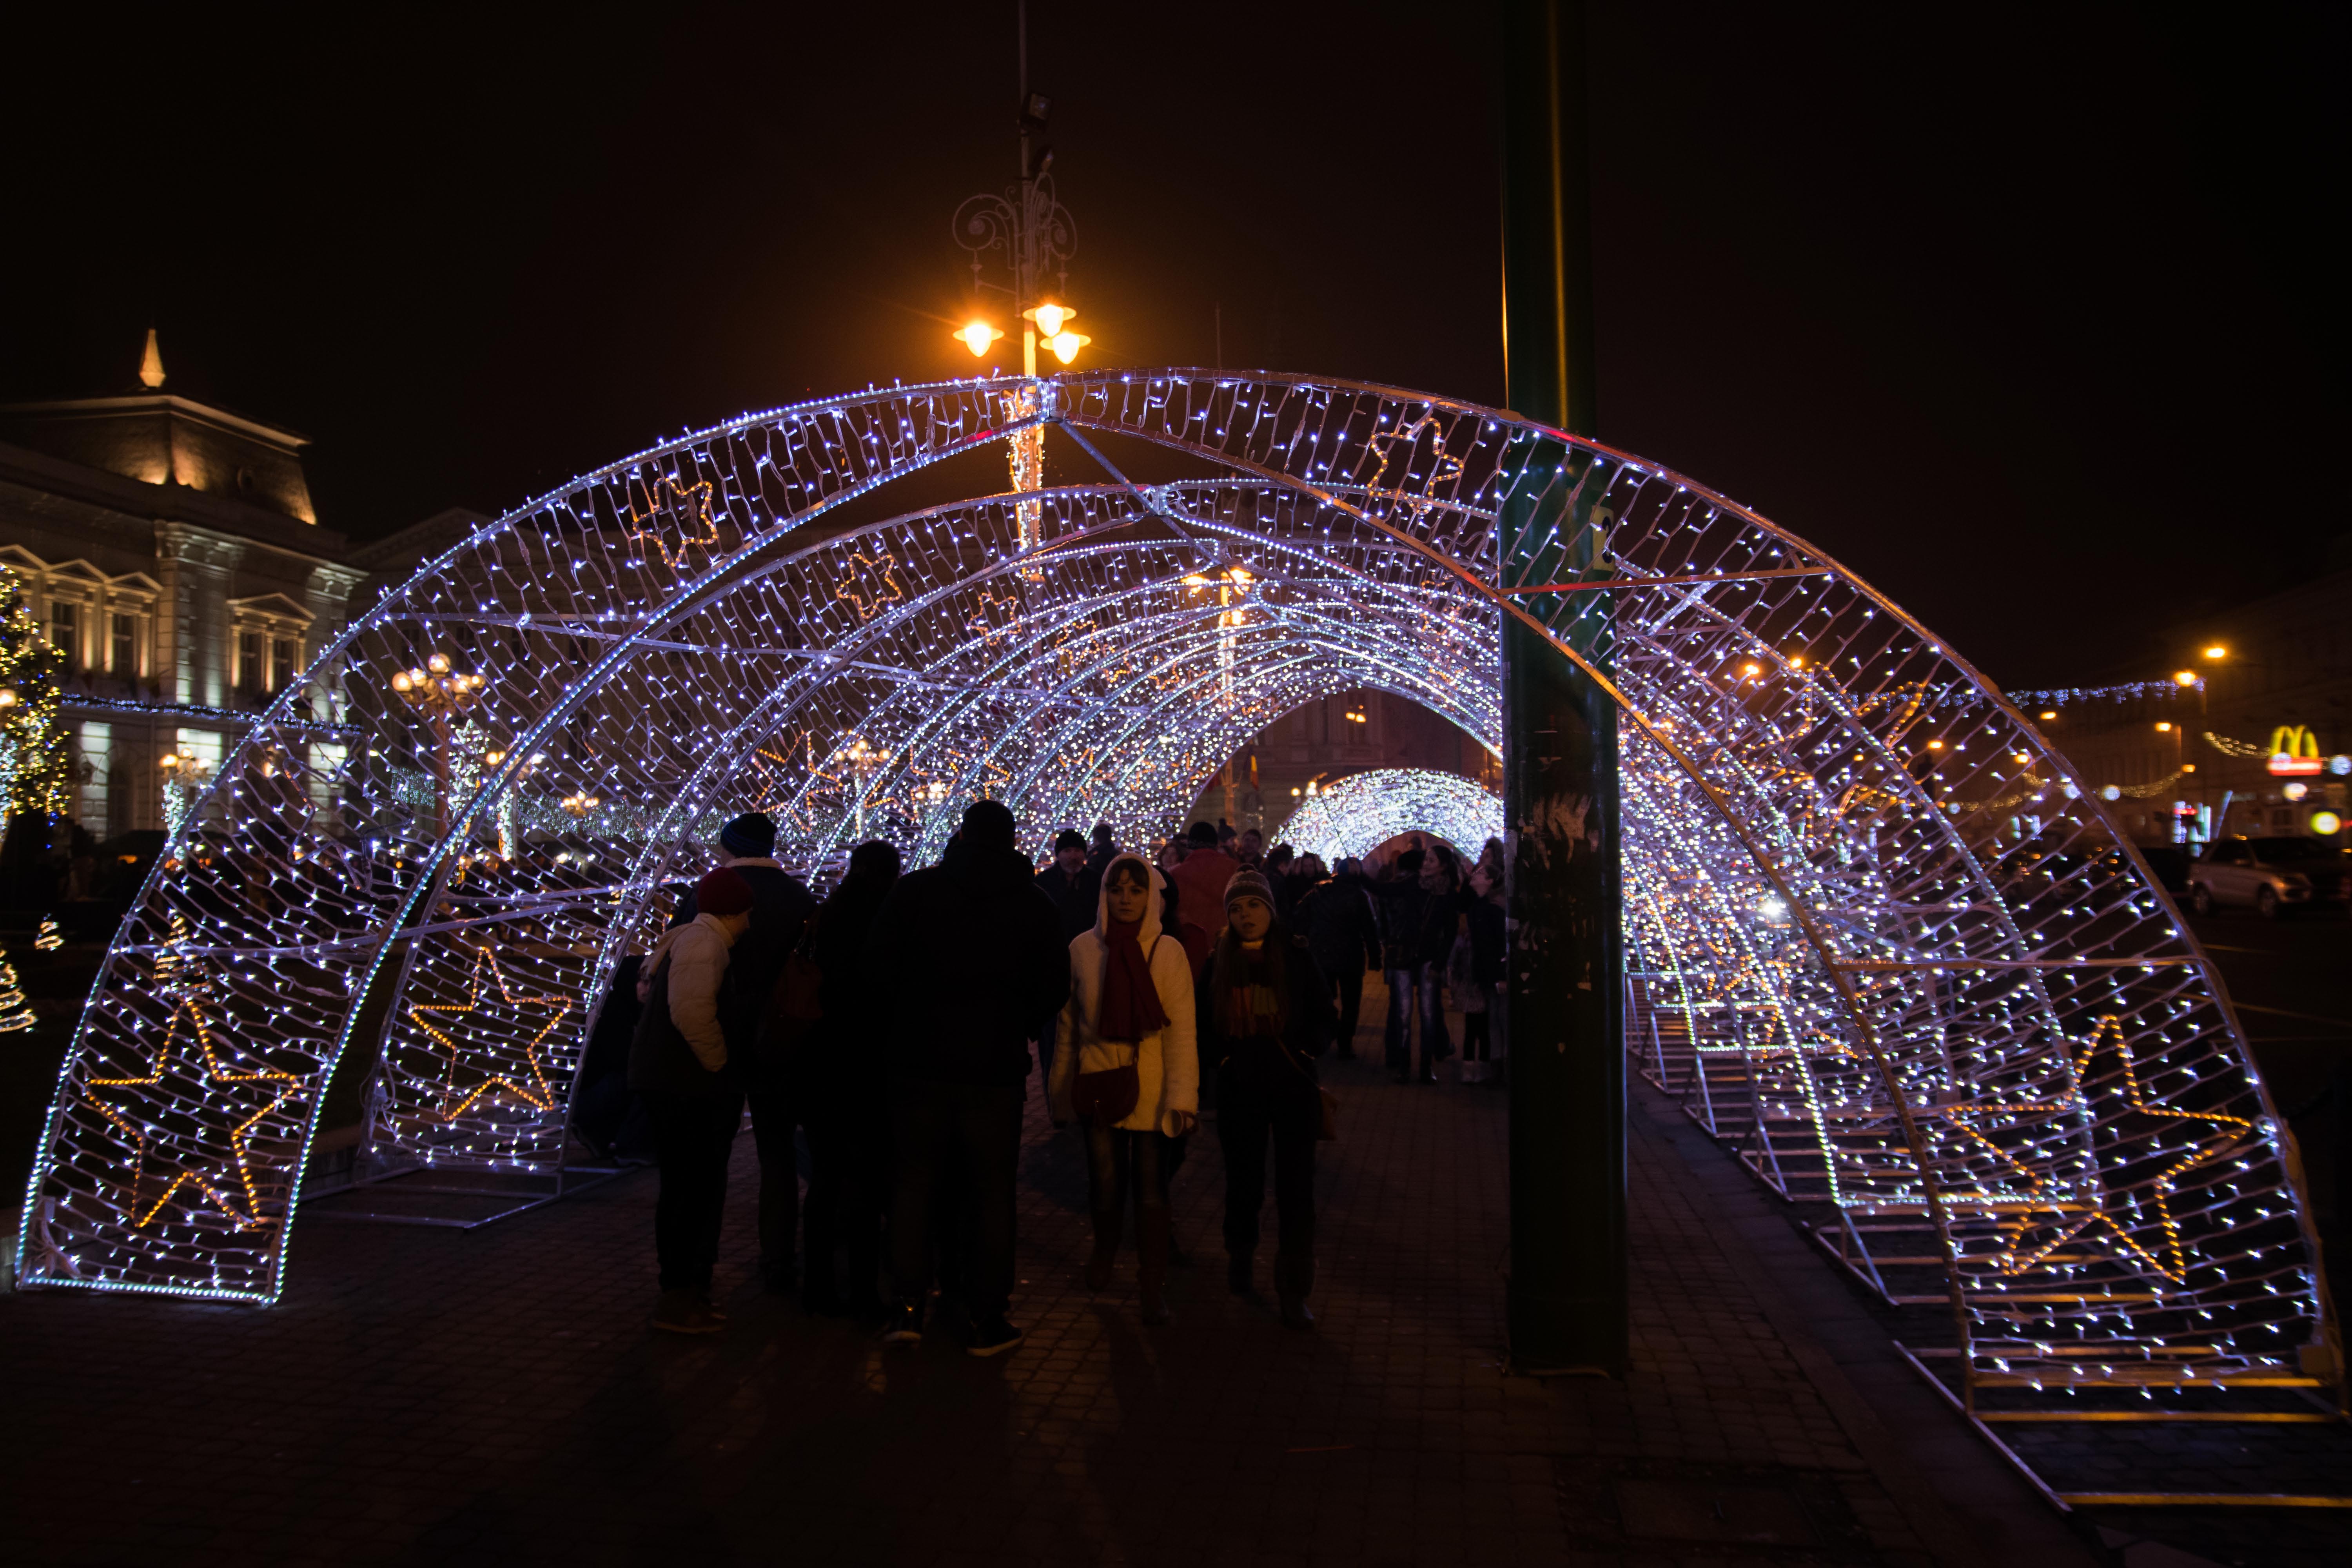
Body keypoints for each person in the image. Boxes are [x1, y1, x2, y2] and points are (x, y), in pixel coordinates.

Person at [869, 799, 1070, 1356]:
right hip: (994, 1071)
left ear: (961, 835)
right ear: (1012, 841)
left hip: (918, 1066)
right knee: (991, 1193)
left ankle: (908, 1305)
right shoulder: (1034, 903)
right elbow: (1055, 986)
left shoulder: (915, 892)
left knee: (913, 1184)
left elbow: (877, 969)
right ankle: (987, 1314)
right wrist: (1017, 1025)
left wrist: (904, 1026)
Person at [1048, 853, 1198, 1325]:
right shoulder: (1082, 950)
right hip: (1099, 1085)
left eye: (1136, 890)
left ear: (1152, 896)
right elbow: (1068, 1029)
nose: (1126, 899)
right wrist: (1060, 1092)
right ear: (1104, 894)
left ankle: (1152, 1281)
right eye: (1117, 890)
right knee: (1105, 1184)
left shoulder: (1168, 951)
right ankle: (1105, 1251)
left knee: (1152, 1190)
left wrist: (1183, 1099)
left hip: (1153, 1091)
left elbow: (1182, 1033)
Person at [681, 811, 819, 1292]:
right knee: (777, 1153)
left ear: (730, 846)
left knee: (708, 1157)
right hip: (780, 1038)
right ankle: (778, 1257)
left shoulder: (708, 892)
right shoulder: (799, 897)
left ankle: (698, 1263)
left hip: (718, 1039)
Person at [1198, 868, 1334, 1330]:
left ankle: (1294, 1288)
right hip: (1241, 1087)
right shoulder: (1219, 959)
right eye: (1236, 908)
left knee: (1296, 1188)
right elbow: (1203, 1023)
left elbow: (1324, 1012)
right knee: (1244, 1182)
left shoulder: (1295, 954)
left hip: (1293, 1085)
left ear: (1270, 909)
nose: (1246, 915)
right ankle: (1240, 1257)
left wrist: (1308, 1048)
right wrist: (1222, 1061)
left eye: (1254, 905)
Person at [630, 867, 756, 1335]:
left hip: (674, 1082)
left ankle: (685, 1289)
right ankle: (679, 1295)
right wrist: (719, 1064)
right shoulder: (705, 945)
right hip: (685, 1086)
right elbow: (691, 1011)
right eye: (746, 913)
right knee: (690, 1188)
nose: (749, 922)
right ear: (733, 912)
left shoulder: (693, 938)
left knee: (686, 1186)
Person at [792, 838, 902, 1317]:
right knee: (868, 1181)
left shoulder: (825, 916)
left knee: (825, 1177)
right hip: (870, 1066)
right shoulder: (888, 921)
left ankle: (817, 1286)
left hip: (820, 1062)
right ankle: (863, 1290)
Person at [1293, 855, 1381, 1060]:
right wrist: (1375, 957)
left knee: (1323, 999)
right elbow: (1370, 929)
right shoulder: (1360, 896)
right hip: (1351, 956)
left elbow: (1299, 916)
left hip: (1322, 954)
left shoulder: (1318, 891)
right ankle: (1345, 1044)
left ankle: (1320, 1039)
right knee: (1351, 1002)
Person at [1457, 859, 1508, 1086]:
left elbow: (1498, 945)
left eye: (1480, 873)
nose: (1475, 874)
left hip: (1493, 975)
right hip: (1483, 975)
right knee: (1490, 1022)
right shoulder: (1478, 906)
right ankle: (1492, 1069)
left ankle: (1498, 1070)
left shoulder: (1493, 910)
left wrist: (1501, 976)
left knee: (1497, 1021)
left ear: (1489, 881)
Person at [1169, 820, 1240, 940]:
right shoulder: (1233, 868)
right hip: (1226, 938)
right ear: (1216, 844)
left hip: (1190, 940)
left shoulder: (1176, 874)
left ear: (1190, 846)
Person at [1036, 828, 1096, 941]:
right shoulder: (1043, 882)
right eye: (1067, 851)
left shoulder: (1096, 880)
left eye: (1077, 850)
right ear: (1058, 855)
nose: (1073, 857)